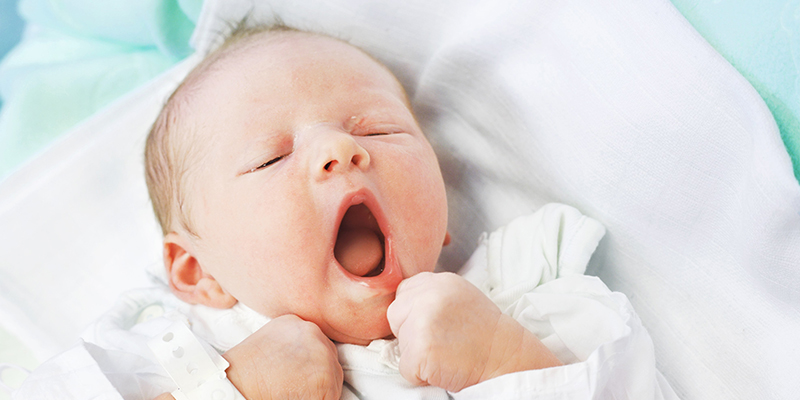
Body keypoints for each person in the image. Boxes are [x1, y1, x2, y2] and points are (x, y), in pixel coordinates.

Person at [12, 25, 677, 400]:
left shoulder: (527, 306)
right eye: (270, 159)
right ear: (197, 270)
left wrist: (511, 364)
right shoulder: (167, 351)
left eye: (380, 131)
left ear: (443, 216)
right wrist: (236, 389)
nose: (339, 149)